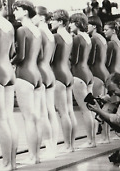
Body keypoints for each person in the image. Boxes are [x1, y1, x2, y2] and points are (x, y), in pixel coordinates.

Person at [12, 0, 43, 164]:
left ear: (25, 11)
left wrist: (10, 61)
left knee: (28, 119)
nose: (14, 13)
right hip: (37, 74)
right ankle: (37, 156)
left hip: (24, 74)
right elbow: (42, 55)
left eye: (16, 10)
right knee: (36, 118)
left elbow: (21, 56)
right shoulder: (37, 30)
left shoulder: (22, 30)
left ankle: (32, 156)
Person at [0, 0, 18, 171]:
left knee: (0, 120)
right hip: (9, 71)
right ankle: (13, 163)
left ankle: (6, 163)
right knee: (9, 119)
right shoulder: (9, 24)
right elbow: (12, 53)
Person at [32, 6, 59, 158]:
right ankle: (52, 148)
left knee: (43, 114)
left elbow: (38, 55)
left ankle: (48, 149)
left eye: (34, 16)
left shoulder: (40, 32)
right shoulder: (50, 33)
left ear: (41, 17)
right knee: (51, 113)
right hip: (49, 71)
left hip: (41, 72)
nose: (32, 18)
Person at [51, 9, 77, 152]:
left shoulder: (56, 36)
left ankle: (67, 145)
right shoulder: (70, 36)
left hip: (58, 74)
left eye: (53, 19)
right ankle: (71, 144)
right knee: (70, 111)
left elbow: (51, 58)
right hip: (68, 74)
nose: (51, 22)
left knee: (63, 112)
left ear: (60, 21)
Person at [69, 13, 96, 148]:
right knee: (90, 109)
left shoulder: (77, 38)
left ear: (77, 23)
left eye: (71, 23)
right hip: (88, 73)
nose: (69, 25)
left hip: (79, 73)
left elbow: (74, 59)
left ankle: (90, 140)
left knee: (85, 110)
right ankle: (93, 139)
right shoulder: (89, 38)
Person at [87, 15, 110, 143]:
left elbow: (91, 59)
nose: (86, 27)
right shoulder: (103, 38)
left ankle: (100, 137)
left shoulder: (94, 39)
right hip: (104, 71)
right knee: (104, 106)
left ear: (94, 26)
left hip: (96, 72)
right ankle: (106, 136)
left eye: (88, 25)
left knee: (97, 106)